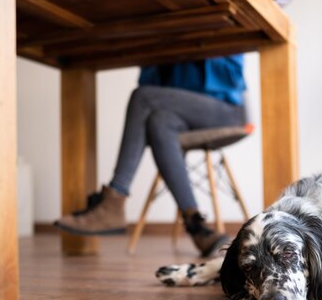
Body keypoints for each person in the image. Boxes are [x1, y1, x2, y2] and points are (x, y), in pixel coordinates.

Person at [54, 54, 247, 257]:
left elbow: (233, 77)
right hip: (178, 113)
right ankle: (197, 227)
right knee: (159, 122)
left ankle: (114, 199)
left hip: (226, 110)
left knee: (143, 97)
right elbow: (148, 82)